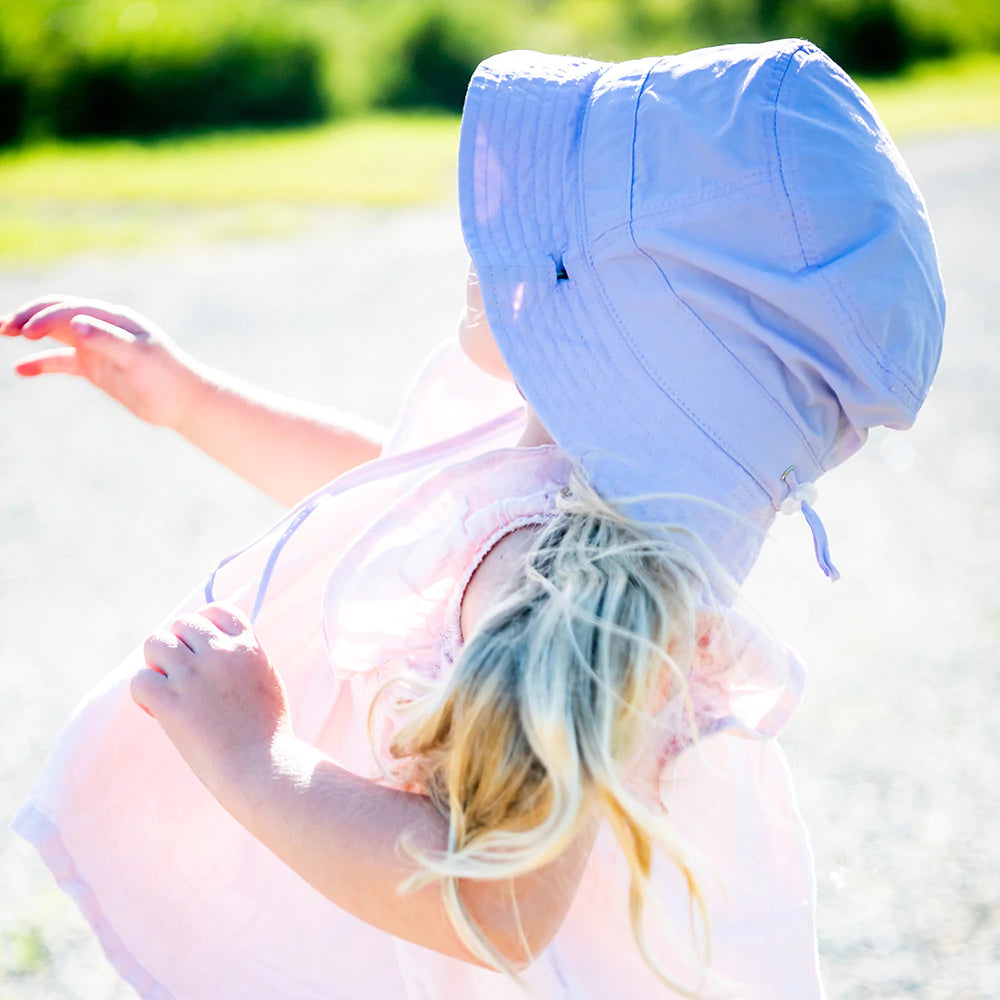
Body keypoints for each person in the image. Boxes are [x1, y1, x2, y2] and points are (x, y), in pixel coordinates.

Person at [4, 38, 944, 999]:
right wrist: (194, 402)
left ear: (629, 336)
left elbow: (499, 904)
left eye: (547, 241)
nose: (484, 232)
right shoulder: (566, 499)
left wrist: (255, 756)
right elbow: (392, 500)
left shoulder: (572, 597)